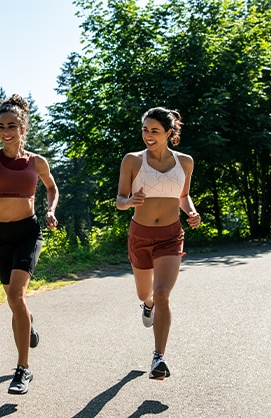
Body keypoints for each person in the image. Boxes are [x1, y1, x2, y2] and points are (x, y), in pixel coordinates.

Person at [0, 94, 59, 395]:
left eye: (12, 126)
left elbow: (52, 188)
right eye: (1, 126)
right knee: (14, 301)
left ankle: (23, 370)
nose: (6, 131)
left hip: (28, 232)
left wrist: (50, 209)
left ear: (23, 128)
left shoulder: (37, 162)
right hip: (0, 235)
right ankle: (27, 321)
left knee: (16, 296)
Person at [116, 107, 201, 380]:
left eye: (154, 131)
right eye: (145, 130)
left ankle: (158, 357)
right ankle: (148, 304)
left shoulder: (185, 162)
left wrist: (191, 211)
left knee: (163, 292)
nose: (148, 135)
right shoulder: (132, 160)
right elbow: (119, 200)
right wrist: (130, 202)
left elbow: (184, 196)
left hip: (170, 235)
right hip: (140, 235)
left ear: (168, 132)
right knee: (146, 294)